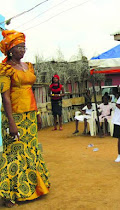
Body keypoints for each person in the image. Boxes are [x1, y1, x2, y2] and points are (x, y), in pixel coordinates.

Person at [0, 30, 50, 207]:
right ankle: (6, 195)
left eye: (24, 47)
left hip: (29, 114)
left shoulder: (28, 66)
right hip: (15, 116)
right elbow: (5, 97)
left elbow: (31, 91)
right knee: (14, 153)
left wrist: (36, 113)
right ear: (10, 50)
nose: (23, 50)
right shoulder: (5, 69)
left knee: (29, 151)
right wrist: (11, 123)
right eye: (19, 47)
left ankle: (31, 189)